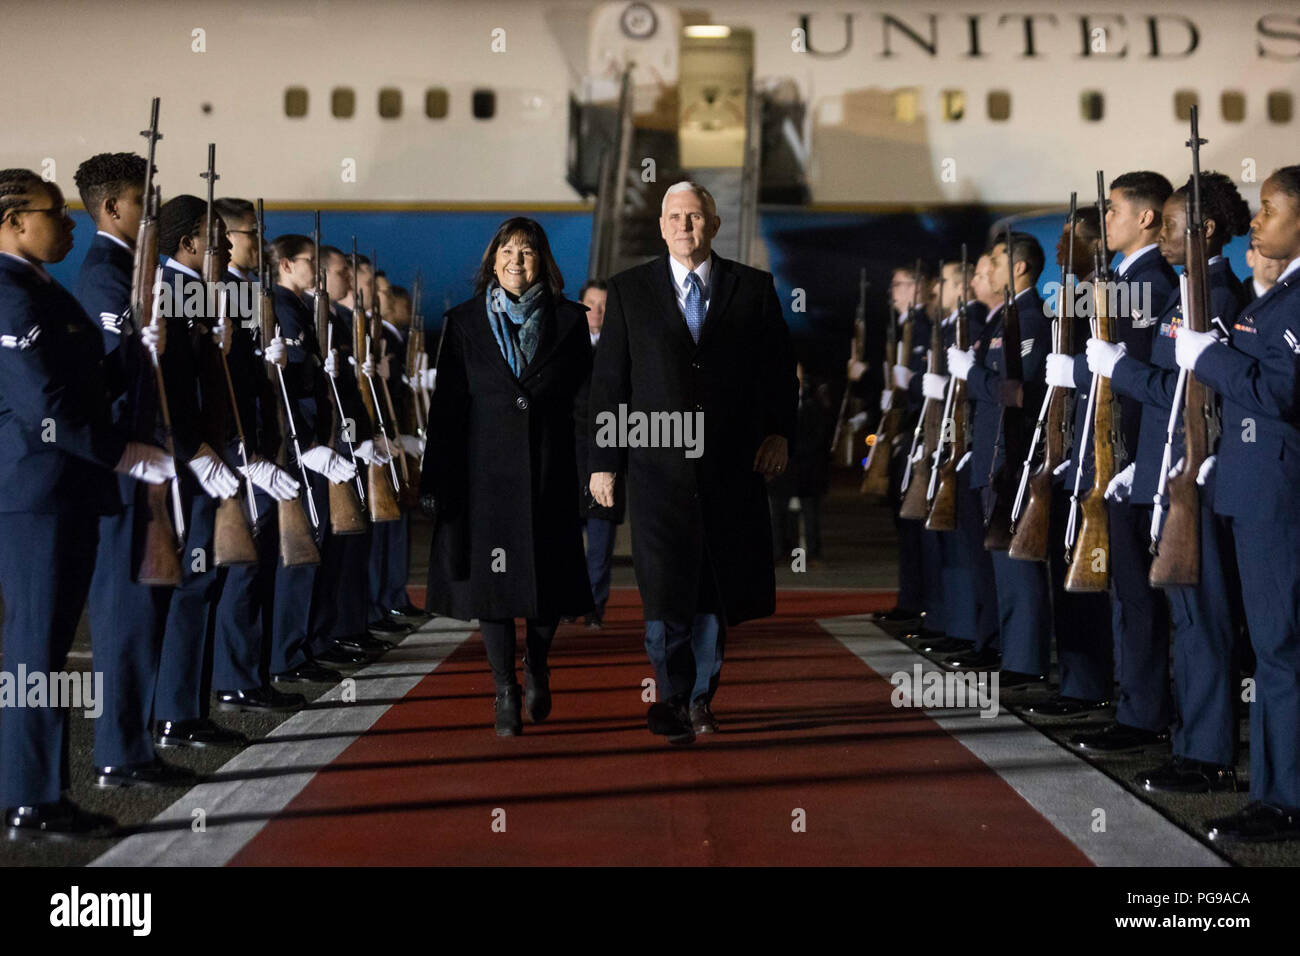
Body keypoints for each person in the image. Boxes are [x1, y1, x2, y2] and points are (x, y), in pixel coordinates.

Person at [588, 181, 797, 743]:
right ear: (661, 227)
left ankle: (702, 699)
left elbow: (777, 371)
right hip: (658, 471)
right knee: (663, 589)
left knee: (711, 589)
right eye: (675, 216)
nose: (685, 225)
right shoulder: (630, 290)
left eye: (696, 216)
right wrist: (603, 462)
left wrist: (779, 432)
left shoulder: (753, 289)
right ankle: (671, 694)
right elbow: (610, 384)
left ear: (715, 224)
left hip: (728, 470)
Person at [0, 168, 172, 837]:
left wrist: (134, 351)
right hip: (38, 492)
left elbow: (82, 382)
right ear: (14, 221)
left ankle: (43, 792)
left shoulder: (40, 290)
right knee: (34, 653)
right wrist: (119, 452)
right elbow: (46, 406)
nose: (68, 224)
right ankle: (30, 800)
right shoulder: (11, 296)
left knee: (44, 647)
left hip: (64, 489)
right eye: (54, 213)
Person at [1103, 171, 1249, 791]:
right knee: (1188, 618)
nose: (1160, 232)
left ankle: (1209, 752)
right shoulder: (1186, 293)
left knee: (1204, 620)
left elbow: (1196, 394)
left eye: (1170, 222)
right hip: (1168, 471)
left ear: (1204, 229)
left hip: (1198, 478)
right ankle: (1193, 741)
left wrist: (1122, 372)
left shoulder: (1216, 297)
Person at [421, 217, 594, 736]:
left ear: (543, 262)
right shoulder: (464, 322)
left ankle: (537, 663)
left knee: (550, 583)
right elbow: (447, 411)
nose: (516, 261)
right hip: (484, 478)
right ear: (492, 261)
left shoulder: (570, 321)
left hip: (551, 472)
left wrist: (595, 470)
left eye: (528, 252)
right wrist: (436, 483)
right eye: (507, 251)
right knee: (491, 590)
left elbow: (585, 406)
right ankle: (504, 688)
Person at [1176, 165, 1300, 841]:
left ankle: (1284, 800)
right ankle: (1276, 791)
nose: (1258, 221)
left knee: (1283, 650)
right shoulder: (1279, 293)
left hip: (1280, 496)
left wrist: (1210, 359)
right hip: (1256, 491)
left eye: (1272, 210)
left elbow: (1282, 393)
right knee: (1279, 649)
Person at [1058, 172, 1179, 754]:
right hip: (1110, 453)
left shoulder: (1150, 283)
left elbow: (1135, 382)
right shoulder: (1124, 279)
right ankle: (1134, 703)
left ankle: (1143, 714)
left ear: (1146, 218)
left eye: (1112, 211)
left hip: (1128, 456)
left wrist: (1126, 459)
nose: (1103, 222)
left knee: (1137, 596)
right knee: (1124, 594)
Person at [207, 196, 305, 715]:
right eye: (248, 233)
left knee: (260, 564)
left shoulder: (252, 292)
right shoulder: (218, 291)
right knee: (240, 568)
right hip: (236, 448)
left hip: (262, 441)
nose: (255, 243)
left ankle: (252, 672)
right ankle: (233, 680)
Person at [946, 231, 1051, 686]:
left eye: (994, 261)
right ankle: (1008, 650)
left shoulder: (1031, 319)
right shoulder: (1003, 318)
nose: (983, 270)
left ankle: (1025, 661)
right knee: (1001, 562)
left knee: (1018, 565)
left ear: (1020, 267)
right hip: (990, 453)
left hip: (1011, 455)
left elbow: (1018, 389)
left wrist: (971, 375)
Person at [1023, 206, 1116, 718]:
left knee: (1092, 578)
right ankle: (1077, 681)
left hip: (1093, 446)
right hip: (1068, 447)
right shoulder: (1074, 294)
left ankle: (1090, 684)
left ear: (1096, 242)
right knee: (1068, 569)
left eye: (1071, 239)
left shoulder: (1106, 292)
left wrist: (1073, 373)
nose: (1060, 250)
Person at [575, 278, 624, 628]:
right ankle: (568, 600)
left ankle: (594, 604)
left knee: (601, 539)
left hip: (608, 454)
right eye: (592, 304)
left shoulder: (625, 347)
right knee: (565, 537)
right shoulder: (564, 344)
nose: (597, 312)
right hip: (570, 454)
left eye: (605, 305)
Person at [768, 362, 833, 564]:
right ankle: (778, 550)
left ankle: (812, 553)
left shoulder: (813, 406)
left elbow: (818, 437)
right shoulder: (773, 405)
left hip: (806, 470)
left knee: (809, 513)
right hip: (781, 470)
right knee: (778, 513)